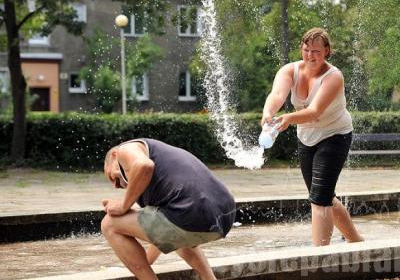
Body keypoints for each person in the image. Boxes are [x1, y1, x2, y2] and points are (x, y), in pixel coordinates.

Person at [261, 27, 363, 246]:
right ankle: (356, 241)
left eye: (316, 51)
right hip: (306, 137)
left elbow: (314, 111)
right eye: (306, 50)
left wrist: (287, 118)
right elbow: (277, 95)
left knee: (319, 198)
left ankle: (319, 255)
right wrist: (268, 113)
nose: (310, 56)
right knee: (322, 194)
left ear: (327, 51)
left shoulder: (333, 76)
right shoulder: (290, 70)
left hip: (335, 135)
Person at [101, 138, 236, 280]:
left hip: (189, 213)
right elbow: (163, 234)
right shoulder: (160, 166)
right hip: (224, 215)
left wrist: (123, 206)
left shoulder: (125, 149)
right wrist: (141, 261)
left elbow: (144, 165)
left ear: (114, 156)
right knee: (178, 235)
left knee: (109, 223)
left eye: (110, 176)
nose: (116, 186)